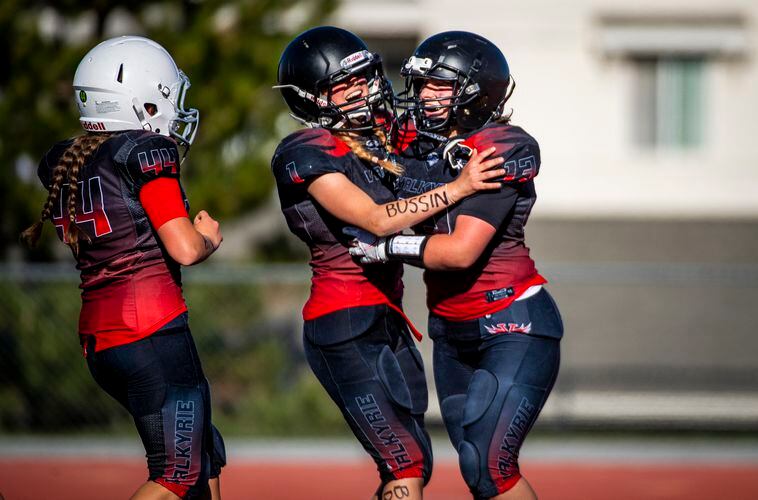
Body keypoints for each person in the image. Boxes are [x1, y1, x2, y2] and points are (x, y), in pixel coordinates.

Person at [271, 26, 507, 500]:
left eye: (363, 78)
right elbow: (377, 221)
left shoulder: (378, 144)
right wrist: (460, 187)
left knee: (414, 460)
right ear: (311, 98)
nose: (361, 91)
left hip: (388, 318)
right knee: (405, 463)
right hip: (343, 324)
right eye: (343, 85)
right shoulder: (306, 151)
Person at [347, 31, 563, 500]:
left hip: (512, 322)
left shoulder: (501, 146)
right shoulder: (420, 147)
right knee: (474, 468)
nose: (424, 96)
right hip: (450, 329)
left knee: (491, 466)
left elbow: (461, 251)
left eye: (438, 86)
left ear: (475, 90)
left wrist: (386, 249)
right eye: (420, 85)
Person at [21, 36, 226, 500]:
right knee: (176, 474)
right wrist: (209, 237)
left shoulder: (69, 159)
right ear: (143, 100)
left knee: (203, 453)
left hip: (103, 342)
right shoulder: (145, 152)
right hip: (152, 333)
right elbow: (185, 249)